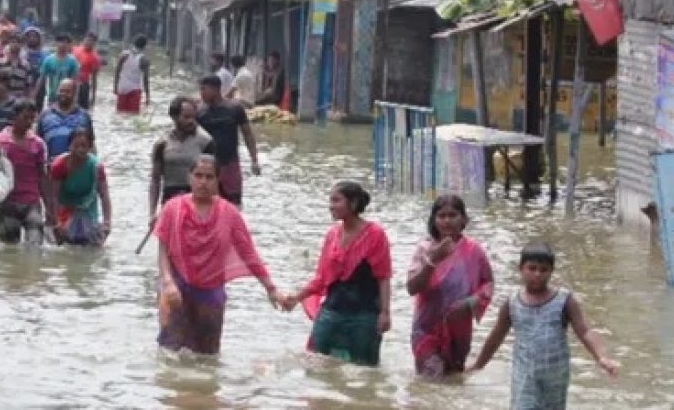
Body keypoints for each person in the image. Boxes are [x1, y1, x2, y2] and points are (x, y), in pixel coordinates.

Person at [154, 155, 281, 355]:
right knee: (170, 352)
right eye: (198, 176)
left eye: (209, 177)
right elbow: (163, 249)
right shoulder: (173, 208)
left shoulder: (229, 214)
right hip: (176, 288)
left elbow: (249, 254)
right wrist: (167, 281)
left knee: (207, 357)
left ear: (217, 180)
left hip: (210, 292)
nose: (203, 182)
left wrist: (271, 288)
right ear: (189, 178)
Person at [469, 243, 618, 409]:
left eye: (543, 269)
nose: (537, 274)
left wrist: (601, 356)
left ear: (551, 271)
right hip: (525, 375)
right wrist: (479, 364)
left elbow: (584, 331)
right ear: (521, 269)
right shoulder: (512, 303)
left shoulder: (564, 300)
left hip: (555, 376)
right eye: (532, 268)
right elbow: (496, 337)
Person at [279, 182, 391, 366]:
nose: (331, 206)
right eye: (330, 200)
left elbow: (383, 276)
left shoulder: (375, 235)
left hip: (365, 315)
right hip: (332, 311)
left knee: (365, 371)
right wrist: (296, 298)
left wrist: (385, 313)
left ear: (353, 203)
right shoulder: (332, 235)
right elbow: (321, 278)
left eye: (336, 200)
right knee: (314, 363)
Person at [406, 195, 494, 377]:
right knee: (430, 377)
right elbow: (412, 288)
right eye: (441, 216)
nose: (447, 221)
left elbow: (488, 282)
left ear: (463, 219)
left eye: (452, 215)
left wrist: (471, 302)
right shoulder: (425, 249)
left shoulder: (474, 250)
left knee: (453, 380)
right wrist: (433, 260)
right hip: (426, 327)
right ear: (434, 220)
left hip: (459, 328)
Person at [148, 96, 215, 226]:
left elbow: (214, 179)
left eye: (193, 117)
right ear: (174, 117)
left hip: (198, 202)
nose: (191, 121)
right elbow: (155, 180)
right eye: (186, 117)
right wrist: (152, 213)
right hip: (169, 201)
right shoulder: (162, 143)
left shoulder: (205, 141)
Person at [196, 75, 261, 208]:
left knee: (233, 205)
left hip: (230, 164)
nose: (201, 93)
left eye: (204, 89)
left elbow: (248, 135)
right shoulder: (199, 112)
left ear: (216, 89)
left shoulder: (235, 108)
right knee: (207, 205)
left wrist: (254, 160)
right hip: (207, 166)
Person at [0, 100, 55, 245]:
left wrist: (49, 207)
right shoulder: (0, 141)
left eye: (32, 119)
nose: (29, 122)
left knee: (35, 247)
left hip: (32, 202)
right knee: (8, 249)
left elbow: (43, 176)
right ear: (14, 117)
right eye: (25, 118)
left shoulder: (38, 144)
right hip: (8, 202)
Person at [48, 128, 112, 246]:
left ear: (90, 147)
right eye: (76, 145)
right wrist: (57, 222)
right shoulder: (59, 166)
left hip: (88, 210)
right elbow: (54, 197)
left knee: (93, 247)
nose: (80, 150)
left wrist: (107, 223)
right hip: (65, 211)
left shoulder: (96, 167)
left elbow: (104, 195)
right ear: (69, 146)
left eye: (84, 146)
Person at [37, 79, 96, 161]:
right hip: (51, 167)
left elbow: (91, 145)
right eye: (61, 91)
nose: (63, 94)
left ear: (74, 94)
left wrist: (95, 165)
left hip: (79, 167)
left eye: (68, 92)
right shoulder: (44, 115)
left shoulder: (84, 116)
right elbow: (37, 145)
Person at [37, 34, 80, 107]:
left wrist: (75, 99)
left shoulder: (72, 61)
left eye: (65, 42)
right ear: (56, 43)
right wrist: (35, 95)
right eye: (60, 42)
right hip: (53, 97)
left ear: (69, 45)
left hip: (68, 97)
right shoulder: (48, 60)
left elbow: (75, 82)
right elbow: (41, 79)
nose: (63, 44)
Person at [113, 35, 151, 114]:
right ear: (144, 46)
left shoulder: (123, 55)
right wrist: (147, 96)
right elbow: (145, 80)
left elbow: (117, 72)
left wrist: (115, 87)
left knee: (120, 114)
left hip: (122, 89)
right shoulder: (144, 60)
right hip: (135, 90)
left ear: (134, 43)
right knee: (133, 115)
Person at [73, 32, 102, 109]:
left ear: (94, 43)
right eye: (87, 40)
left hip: (83, 86)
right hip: (71, 82)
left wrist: (93, 96)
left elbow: (94, 78)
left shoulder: (95, 58)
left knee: (81, 109)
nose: (88, 42)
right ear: (83, 40)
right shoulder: (75, 50)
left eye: (91, 41)